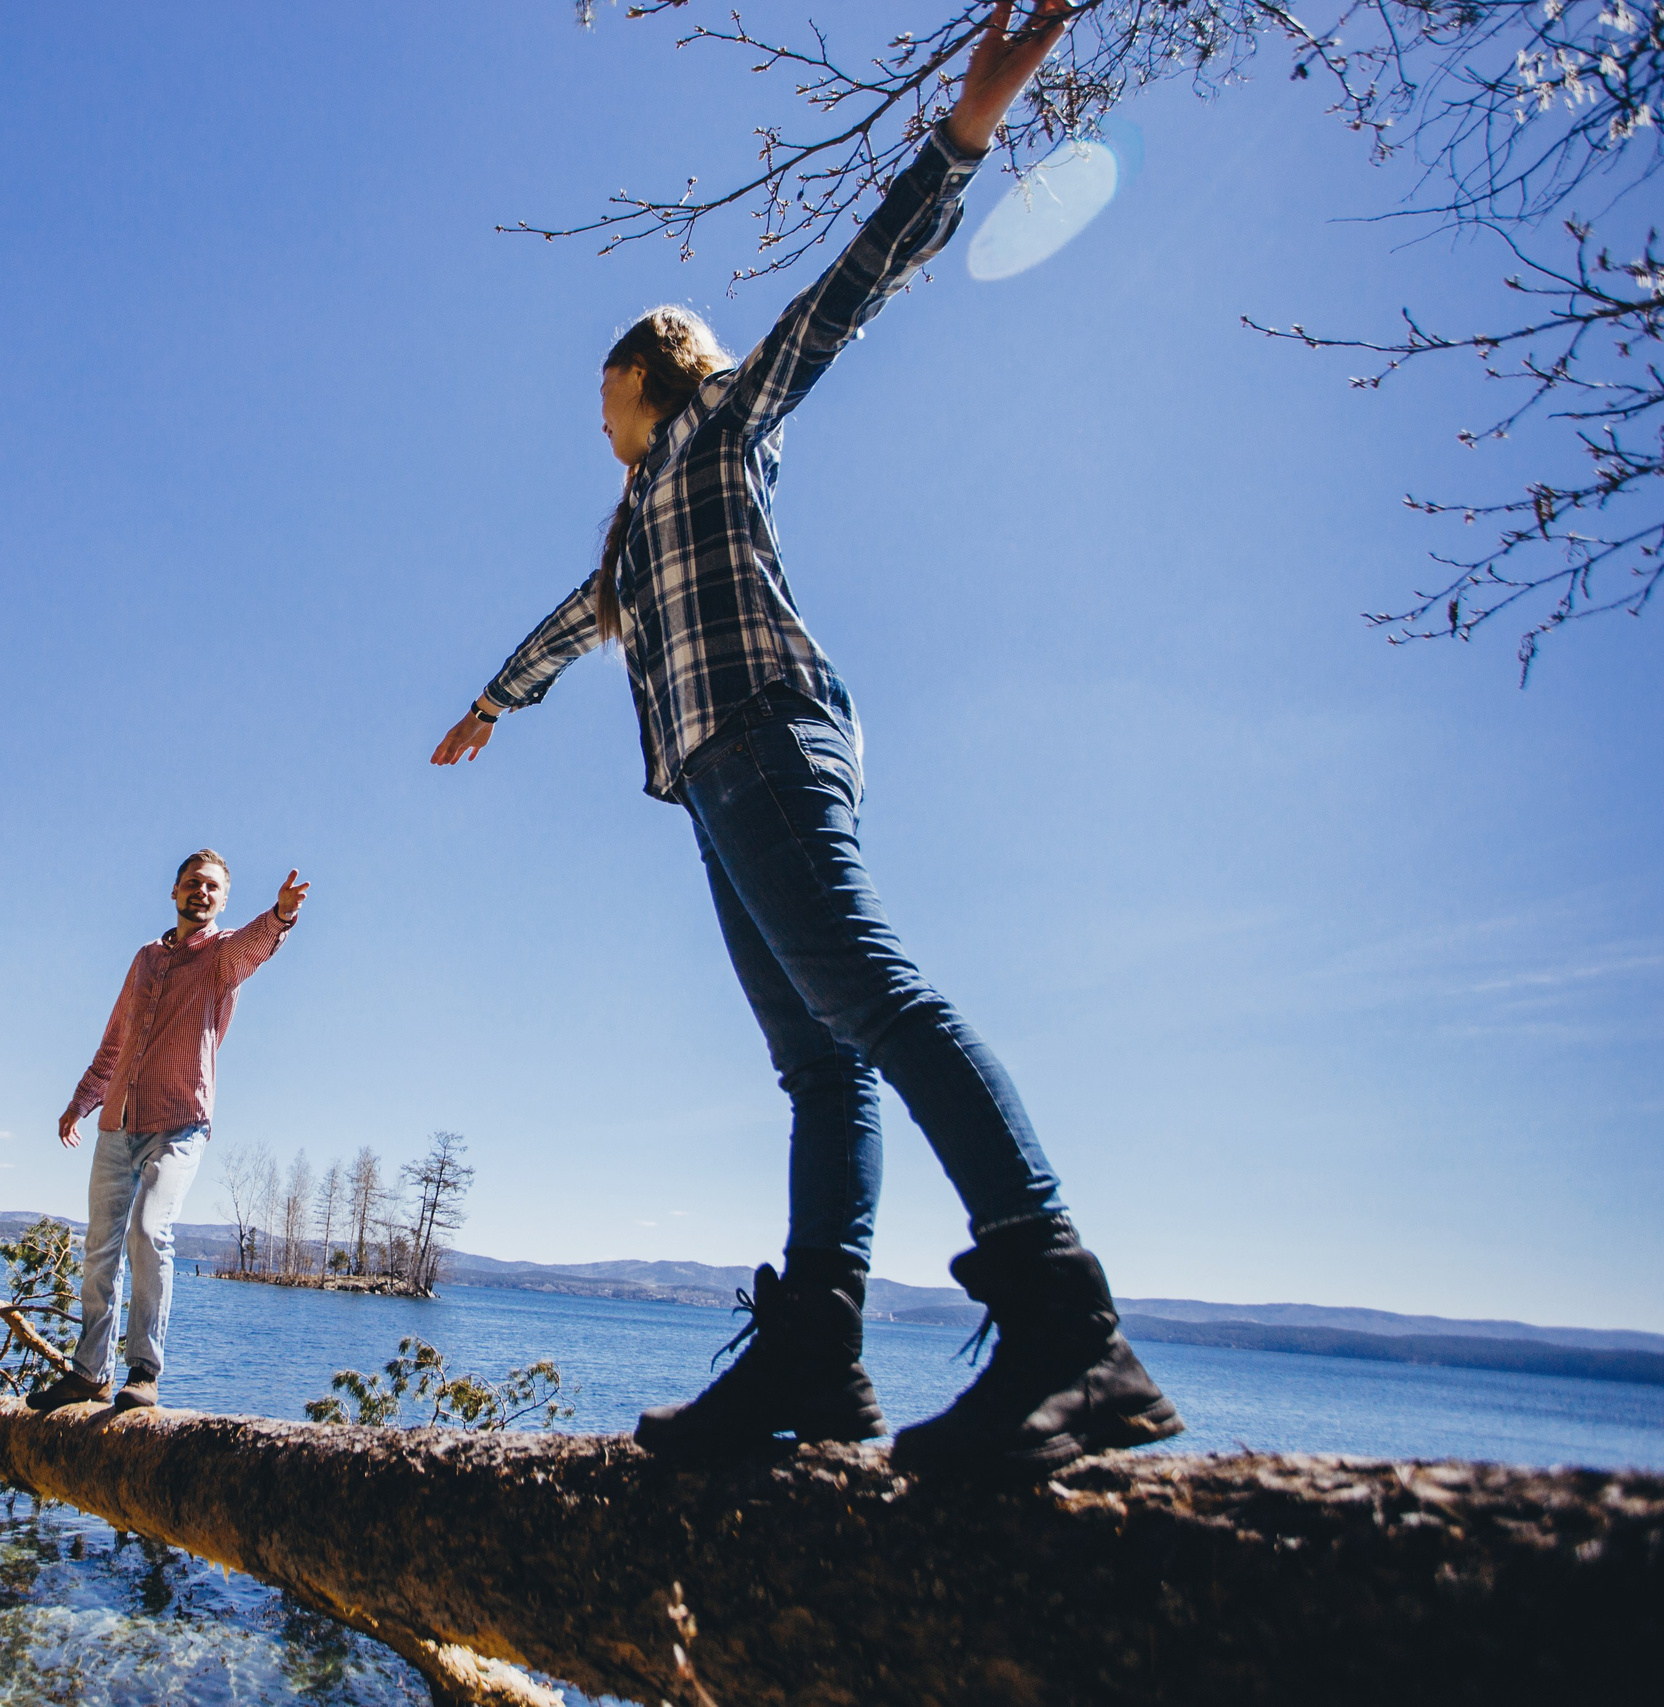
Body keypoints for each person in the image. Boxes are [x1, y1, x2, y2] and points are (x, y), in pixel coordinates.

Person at [427, 0, 1181, 1473]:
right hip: (713, 783)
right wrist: (490, 703)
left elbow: (847, 292)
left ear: (653, 376)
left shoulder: (716, 418)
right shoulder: (631, 522)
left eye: (603, 399)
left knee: (875, 997)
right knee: (820, 1064)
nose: (599, 422)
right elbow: (576, 620)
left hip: (768, 735)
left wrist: (963, 135)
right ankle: (821, 1358)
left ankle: (1068, 1325)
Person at [31, 850, 309, 1412]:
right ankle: (88, 1373)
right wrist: (80, 1102)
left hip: (181, 1122)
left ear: (222, 900)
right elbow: (115, 1039)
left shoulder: (222, 957)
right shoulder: (144, 960)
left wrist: (280, 916)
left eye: (211, 887)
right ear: (174, 891)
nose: (200, 892)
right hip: (118, 1120)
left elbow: (253, 947)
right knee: (98, 1250)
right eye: (191, 883)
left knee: (150, 1229)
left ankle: (143, 1372)